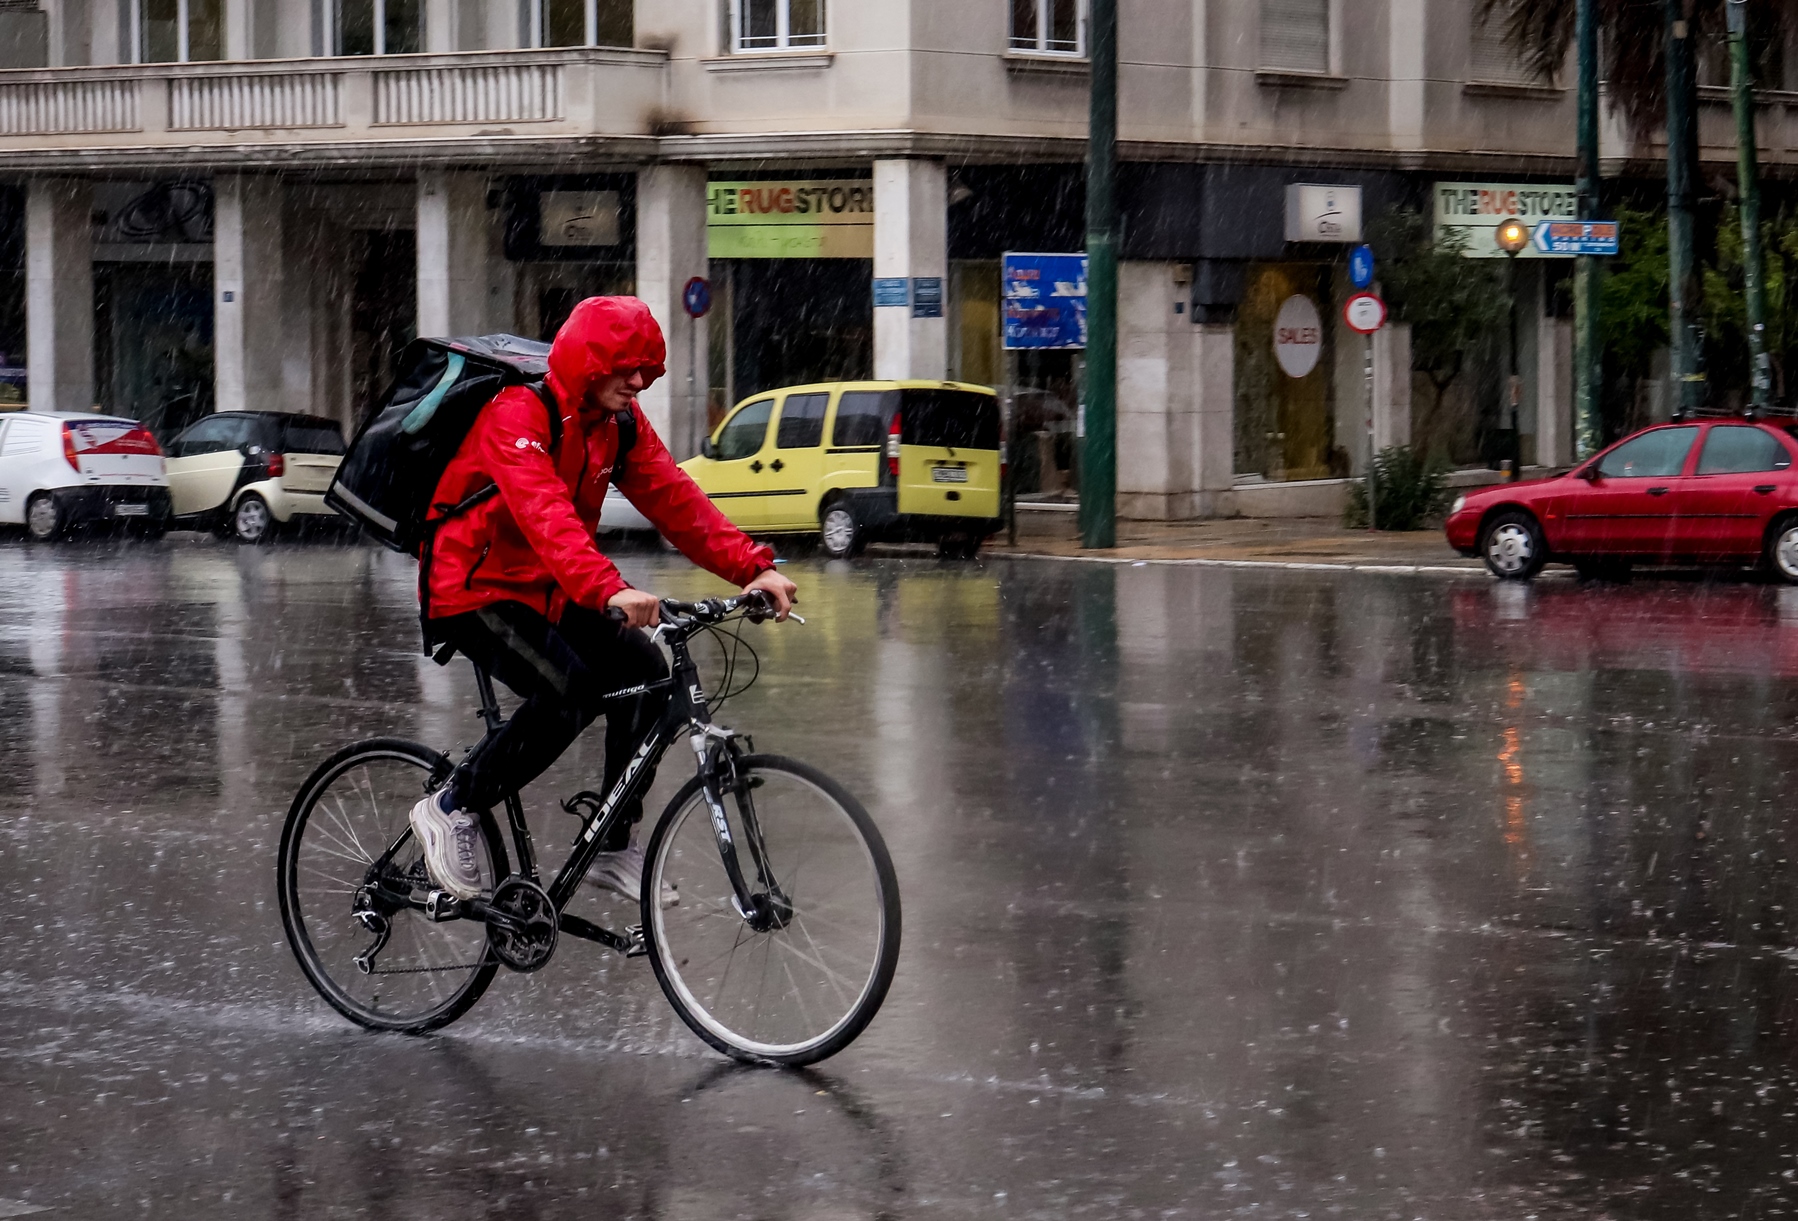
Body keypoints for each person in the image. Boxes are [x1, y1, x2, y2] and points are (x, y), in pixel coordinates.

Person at [408, 296, 797, 905]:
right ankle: (451, 806)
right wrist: (609, 588)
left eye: (647, 369)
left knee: (646, 672)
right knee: (567, 691)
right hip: (473, 587)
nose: (639, 381)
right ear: (589, 362)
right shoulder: (517, 413)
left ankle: (612, 844)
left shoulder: (618, 422)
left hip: (553, 588)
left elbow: (674, 498)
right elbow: (546, 515)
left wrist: (754, 568)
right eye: (625, 368)